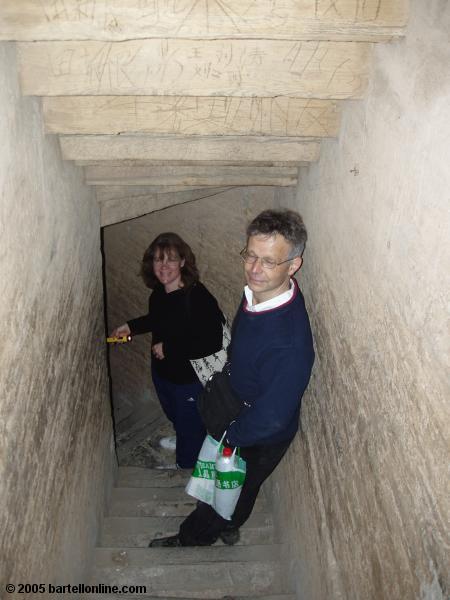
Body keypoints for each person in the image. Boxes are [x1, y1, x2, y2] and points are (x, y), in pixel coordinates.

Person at [149, 209, 315, 546]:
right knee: (242, 487)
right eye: (251, 255)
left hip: (257, 432)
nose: (255, 269)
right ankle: (231, 523)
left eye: (269, 261)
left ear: (293, 265)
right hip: (239, 410)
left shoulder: (289, 343)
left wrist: (230, 438)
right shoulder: (257, 291)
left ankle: (191, 538)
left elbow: (272, 416)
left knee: (220, 491)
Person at [111, 232, 224, 470]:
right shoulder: (159, 293)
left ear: (183, 262)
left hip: (188, 378)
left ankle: (186, 465)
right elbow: (157, 319)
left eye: (171, 259)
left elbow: (211, 342)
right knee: (177, 415)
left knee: (189, 421)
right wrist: (131, 326)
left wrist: (170, 348)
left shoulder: (198, 298)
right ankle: (186, 437)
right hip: (163, 372)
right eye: (158, 260)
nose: (163, 266)